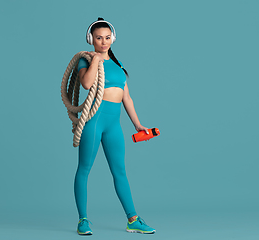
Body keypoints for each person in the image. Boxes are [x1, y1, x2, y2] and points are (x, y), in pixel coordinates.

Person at [74, 17, 156, 235]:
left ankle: (133, 220)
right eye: (99, 38)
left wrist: (137, 124)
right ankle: (83, 220)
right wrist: (95, 61)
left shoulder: (118, 65)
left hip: (113, 124)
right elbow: (86, 83)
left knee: (120, 171)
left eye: (107, 38)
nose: (103, 42)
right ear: (90, 39)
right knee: (84, 169)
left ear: (113, 39)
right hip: (94, 119)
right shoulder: (86, 60)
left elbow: (126, 97)